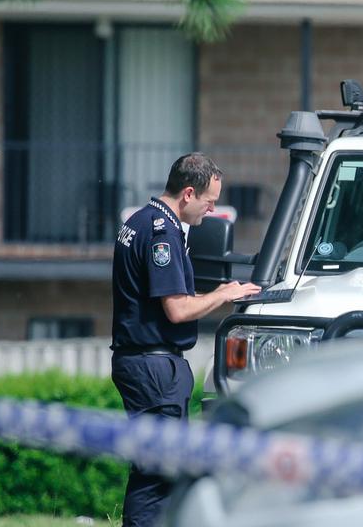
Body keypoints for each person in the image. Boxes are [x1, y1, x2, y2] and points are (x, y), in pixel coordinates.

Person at [110, 152, 260, 527]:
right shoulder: (163, 232)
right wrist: (224, 294)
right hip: (153, 366)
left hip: (146, 362)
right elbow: (176, 309)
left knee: (155, 470)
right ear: (188, 193)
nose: (211, 210)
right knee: (157, 476)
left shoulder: (141, 221)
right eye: (210, 202)